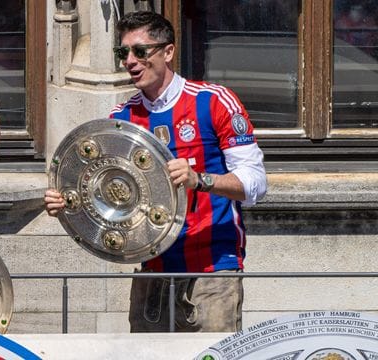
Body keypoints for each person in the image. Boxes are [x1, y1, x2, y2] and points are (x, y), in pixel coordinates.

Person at [45, 11, 267, 332]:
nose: (129, 61)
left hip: (212, 270)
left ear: (168, 52)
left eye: (140, 51)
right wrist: (70, 203)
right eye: (123, 53)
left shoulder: (213, 101)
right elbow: (111, 195)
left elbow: (256, 184)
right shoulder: (121, 119)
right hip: (153, 271)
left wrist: (200, 181)